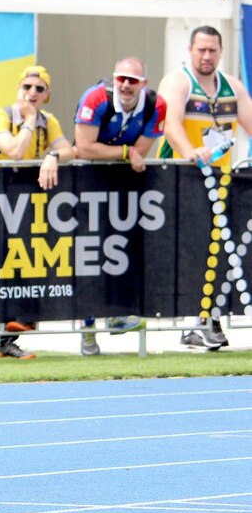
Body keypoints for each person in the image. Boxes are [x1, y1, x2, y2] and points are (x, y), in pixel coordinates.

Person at [157, 25, 252, 351]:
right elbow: (170, 125)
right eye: (201, 50)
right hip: (182, 179)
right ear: (190, 50)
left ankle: (206, 318)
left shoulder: (232, 88)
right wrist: (191, 153)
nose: (207, 56)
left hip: (220, 182)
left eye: (212, 50)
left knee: (219, 252)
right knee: (193, 252)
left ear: (221, 51)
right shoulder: (178, 81)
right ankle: (193, 321)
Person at [0, 65, 75, 359]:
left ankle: (10, 337)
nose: (32, 93)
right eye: (27, 87)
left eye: (39, 89)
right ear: (19, 89)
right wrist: (30, 122)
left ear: (47, 95)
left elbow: (71, 150)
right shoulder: (1, 116)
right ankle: (6, 334)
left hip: (25, 200)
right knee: (4, 265)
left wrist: (52, 156)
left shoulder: (50, 121)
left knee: (26, 260)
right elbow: (14, 151)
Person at [73, 56, 167, 355]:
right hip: (86, 179)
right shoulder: (96, 97)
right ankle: (88, 326)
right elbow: (85, 146)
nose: (126, 85)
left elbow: (143, 153)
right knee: (89, 252)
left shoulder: (156, 105)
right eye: (121, 79)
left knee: (123, 249)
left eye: (133, 80)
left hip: (125, 184)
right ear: (114, 79)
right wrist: (125, 150)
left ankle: (116, 315)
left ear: (144, 84)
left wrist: (125, 154)